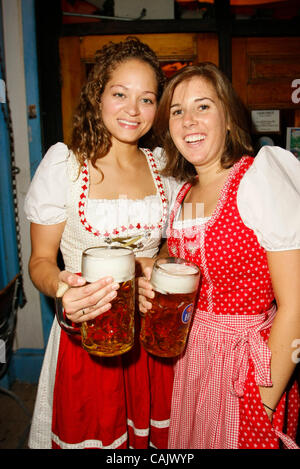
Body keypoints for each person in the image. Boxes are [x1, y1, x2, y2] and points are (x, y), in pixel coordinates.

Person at [24, 37, 180, 449]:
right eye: (120, 94)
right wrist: (62, 289)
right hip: (86, 339)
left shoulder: (165, 166)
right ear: (98, 96)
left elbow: (168, 247)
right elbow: (39, 260)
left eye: (147, 99)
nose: (133, 109)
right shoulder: (64, 165)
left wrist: (154, 265)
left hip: (150, 340)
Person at [138, 63, 300, 449]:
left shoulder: (260, 179)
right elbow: (183, 252)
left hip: (248, 365)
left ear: (228, 117)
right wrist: (151, 271)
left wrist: (263, 401)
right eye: (177, 111)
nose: (188, 120)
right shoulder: (186, 192)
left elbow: (296, 305)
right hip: (193, 359)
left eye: (203, 106)